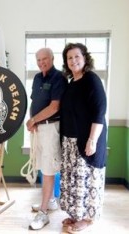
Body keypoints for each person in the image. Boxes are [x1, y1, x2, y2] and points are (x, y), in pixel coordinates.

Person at [59, 43, 107, 233]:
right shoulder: (72, 83)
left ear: (85, 58)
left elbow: (99, 112)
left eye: (77, 56)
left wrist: (92, 140)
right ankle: (74, 214)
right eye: (69, 58)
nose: (73, 60)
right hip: (70, 141)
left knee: (88, 179)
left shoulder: (91, 80)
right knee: (74, 180)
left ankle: (87, 219)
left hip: (87, 139)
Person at [26, 48, 67, 230]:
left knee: (49, 169)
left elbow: (54, 107)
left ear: (52, 59)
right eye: (39, 59)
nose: (42, 62)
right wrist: (33, 121)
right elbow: (35, 102)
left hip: (51, 128)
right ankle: (50, 201)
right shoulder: (36, 78)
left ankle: (43, 213)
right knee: (43, 165)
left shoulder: (58, 77)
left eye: (45, 59)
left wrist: (34, 119)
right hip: (39, 128)